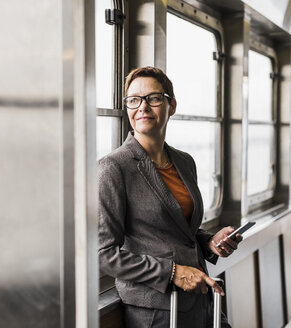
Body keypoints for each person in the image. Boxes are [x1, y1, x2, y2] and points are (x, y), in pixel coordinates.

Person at [98, 66, 243, 327]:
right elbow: (103, 254)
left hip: (201, 298)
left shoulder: (184, 162)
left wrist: (210, 242)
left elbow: (178, 230)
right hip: (156, 310)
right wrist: (172, 272)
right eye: (133, 100)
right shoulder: (114, 168)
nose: (142, 107)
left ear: (171, 105)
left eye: (153, 98)